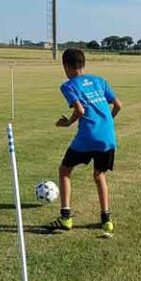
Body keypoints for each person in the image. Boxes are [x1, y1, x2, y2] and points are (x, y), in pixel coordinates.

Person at [50, 48, 123, 233]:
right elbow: (118, 105)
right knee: (99, 176)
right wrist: (107, 122)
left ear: (65, 66)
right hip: (107, 136)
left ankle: (66, 218)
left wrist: (67, 123)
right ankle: (106, 219)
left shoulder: (69, 85)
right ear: (83, 64)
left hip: (87, 136)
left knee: (64, 171)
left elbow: (80, 110)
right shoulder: (100, 81)